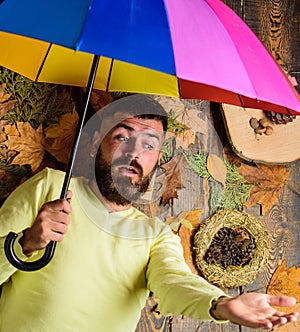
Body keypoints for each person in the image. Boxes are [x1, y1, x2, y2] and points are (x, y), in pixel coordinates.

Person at [0, 95, 298, 331]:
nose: (134, 153)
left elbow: (175, 284)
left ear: (157, 160)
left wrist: (219, 304)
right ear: (94, 144)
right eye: (122, 137)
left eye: (148, 144)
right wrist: (25, 243)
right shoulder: (50, 187)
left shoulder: (154, 237)